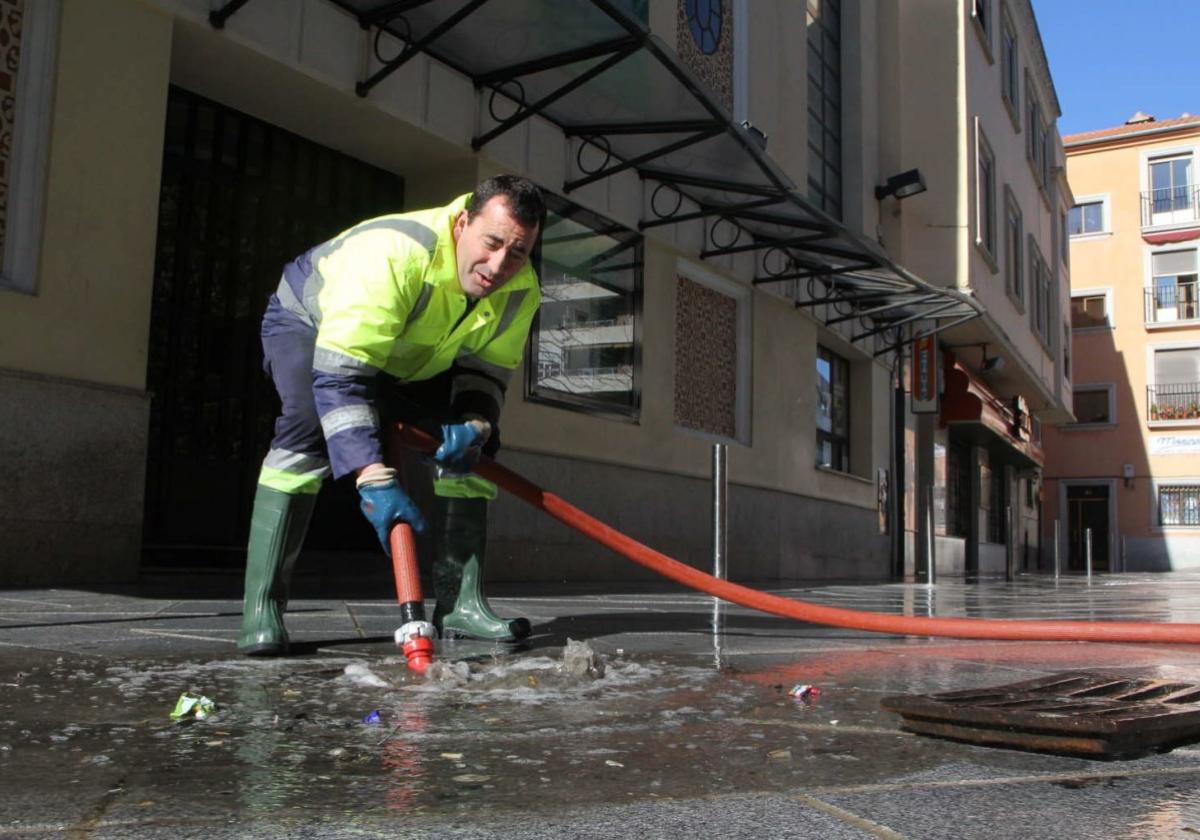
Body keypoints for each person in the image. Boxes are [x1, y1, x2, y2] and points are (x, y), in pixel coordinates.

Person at [237, 175, 544, 656]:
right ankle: (263, 608)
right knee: (308, 427)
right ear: (463, 223)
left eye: (518, 252)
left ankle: (461, 605)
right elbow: (341, 377)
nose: (499, 265)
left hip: (410, 356)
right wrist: (373, 476)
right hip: (311, 325)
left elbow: (485, 375)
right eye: (492, 243)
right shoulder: (393, 255)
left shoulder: (522, 292)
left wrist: (476, 427)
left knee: (473, 450)